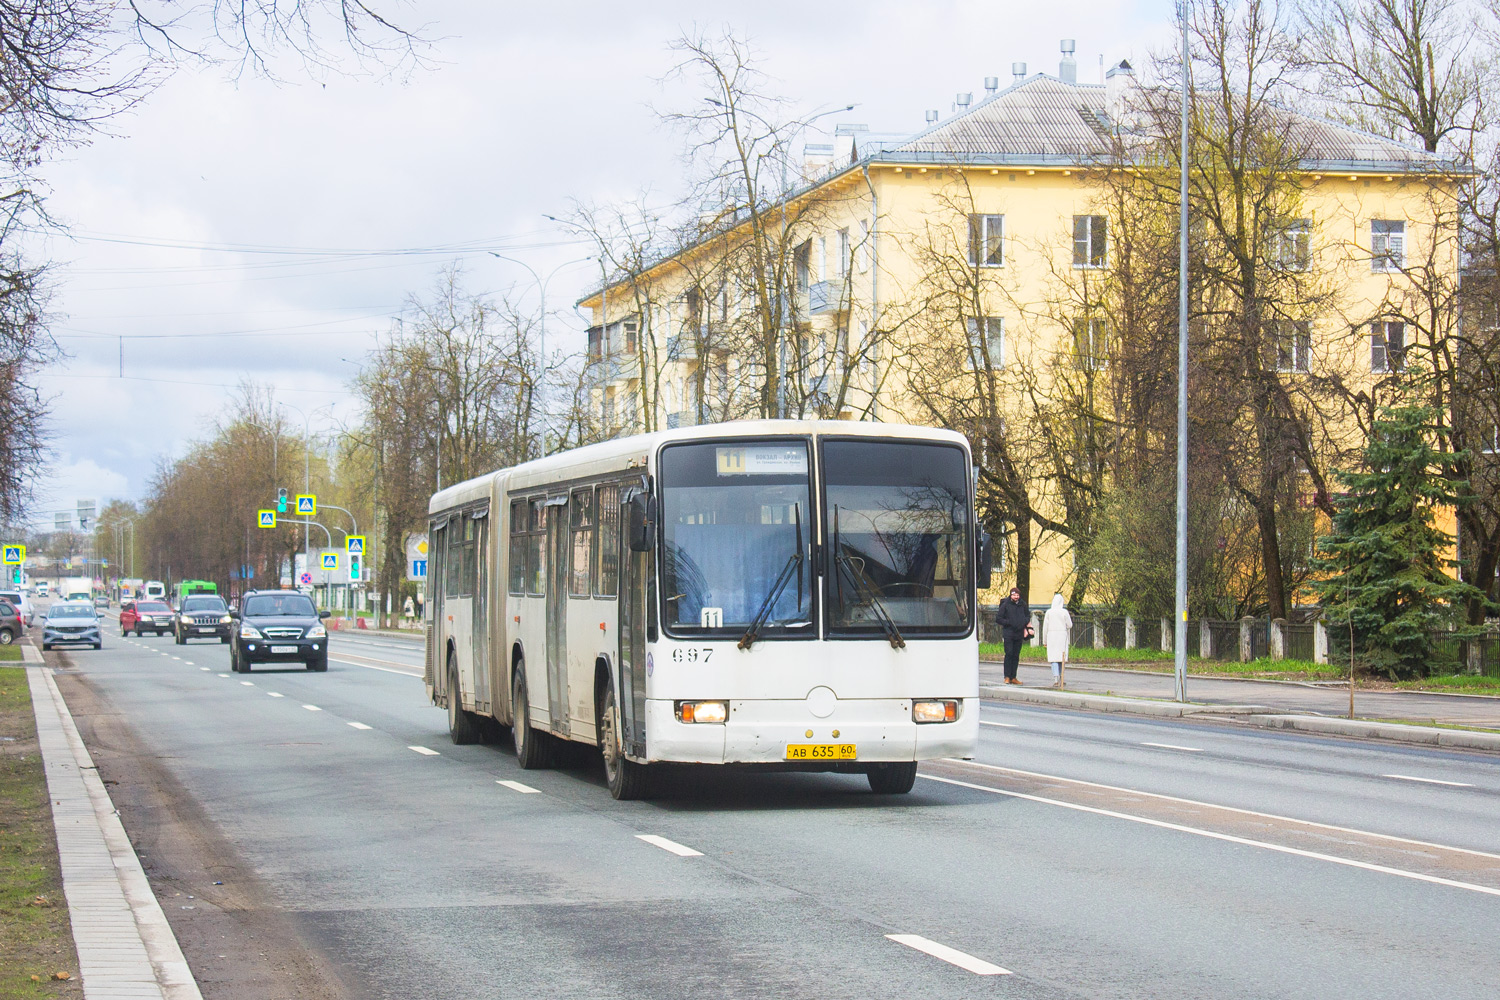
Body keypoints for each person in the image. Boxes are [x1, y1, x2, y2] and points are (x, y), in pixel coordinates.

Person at [996, 587, 1033, 685]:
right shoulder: (1005, 604)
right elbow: (999, 618)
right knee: (1009, 654)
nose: (1016, 597)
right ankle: (1007, 677)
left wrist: (1023, 622)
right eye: (1014, 595)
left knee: (1016, 655)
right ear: (1011, 595)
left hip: (1019, 633)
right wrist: (1008, 622)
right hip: (1009, 633)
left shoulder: (1022, 604)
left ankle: (1013, 677)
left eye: (1017, 595)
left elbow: (1027, 616)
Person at [1042, 593, 1073, 688]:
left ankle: (1055, 679)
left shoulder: (1049, 612)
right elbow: (1070, 625)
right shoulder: (1064, 612)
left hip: (1051, 636)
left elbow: (1045, 628)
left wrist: (1044, 641)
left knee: (1053, 658)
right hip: (1062, 636)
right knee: (1061, 658)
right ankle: (1061, 678)